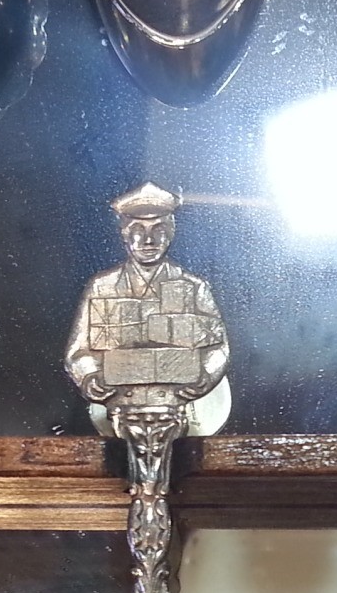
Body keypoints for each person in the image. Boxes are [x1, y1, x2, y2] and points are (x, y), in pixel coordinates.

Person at [64, 184, 230, 436]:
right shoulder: (102, 286)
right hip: (121, 412)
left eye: (158, 229)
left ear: (170, 233)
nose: (148, 240)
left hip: (176, 411)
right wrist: (89, 377)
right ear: (125, 234)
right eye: (138, 230)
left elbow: (218, 347)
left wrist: (206, 373)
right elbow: (78, 351)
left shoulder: (193, 286)